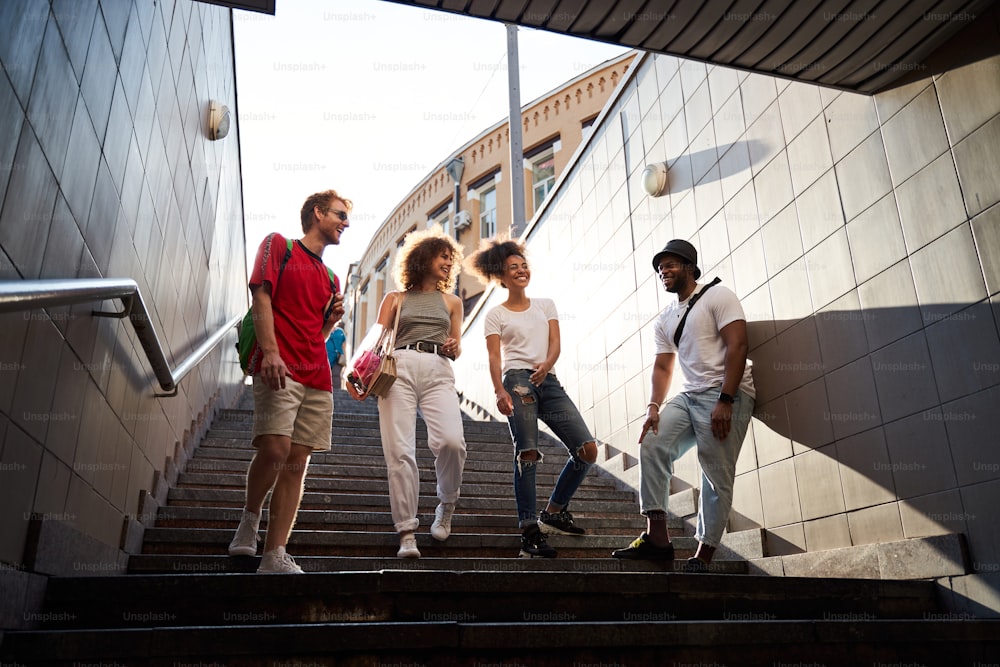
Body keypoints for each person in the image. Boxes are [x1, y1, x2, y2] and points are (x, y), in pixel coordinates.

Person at [611, 239, 754, 572]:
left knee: (715, 473)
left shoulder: (719, 296)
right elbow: (663, 367)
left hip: (725, 394)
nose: (664, 271)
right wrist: (653, 407)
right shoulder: (665, 319)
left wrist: (726, 399)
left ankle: (703, 555)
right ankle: (658, 540)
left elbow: (739, 345)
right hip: (689, 396)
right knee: (653, 443)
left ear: (690, 266)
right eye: (660, 268)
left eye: (671, 264)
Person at [228, 190, 350, 573]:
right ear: (317, 213)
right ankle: (250, 519)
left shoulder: (331, 278)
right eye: (340, 215)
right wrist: (272, 352)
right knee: (276, 449)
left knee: (298, 461)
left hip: (318, 375)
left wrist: (332, 319)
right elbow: (261, 298)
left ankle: (274, 553)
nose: (346, 223)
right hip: (279, 365)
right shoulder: (278, 246)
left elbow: (319, 334)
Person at [467, 238, 598, 558]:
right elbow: (495, 357)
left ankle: (554, 511)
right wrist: (498, 390)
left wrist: (547, 366)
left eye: (523, 264)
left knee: (587, 450)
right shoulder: (495, 315)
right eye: (513, 267)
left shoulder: (545, 304)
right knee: (528, 452)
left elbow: (555, 344)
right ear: (501, 276)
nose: (521, 270)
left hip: (548, 380)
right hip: (517, 383)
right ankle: (529, 529)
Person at [346, 226, 467, 559]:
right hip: (397, 367)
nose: (447, 262)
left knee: (451, 441)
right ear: (423, 257)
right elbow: (375, 336)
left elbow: (456, 348)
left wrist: (455, 345)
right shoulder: (395, 298)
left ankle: (447, 503)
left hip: (438, 369)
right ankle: (407, 532)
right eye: (442, 256)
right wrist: (354, 372)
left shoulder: (452, 301)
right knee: (400, 452)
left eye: (450, 258)